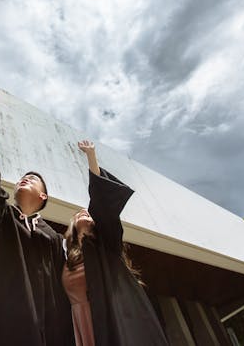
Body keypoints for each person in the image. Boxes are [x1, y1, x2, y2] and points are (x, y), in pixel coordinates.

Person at [0, 76, 74, 346]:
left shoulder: (53, 239)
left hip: (44, 331)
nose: (24, 178)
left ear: (43, 195)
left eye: (32, 178)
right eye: (22, 177)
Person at [62, 140, 168, 346]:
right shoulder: (65, 254)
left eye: (88, 211)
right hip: (81, 322)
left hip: (114, 319)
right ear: (72, 224)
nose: (84, 211)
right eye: (79, 213)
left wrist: (91, 157)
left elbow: (102, 202)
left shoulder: (106, 242)